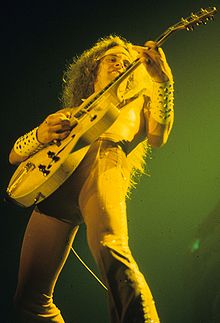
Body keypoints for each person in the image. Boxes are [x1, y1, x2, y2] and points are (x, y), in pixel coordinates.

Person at [9, 34, 174, 323]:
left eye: (126, 60)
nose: (120, 63)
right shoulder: (71, 113)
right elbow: (14, 154)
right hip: (55, 187)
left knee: (111, 248)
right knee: (29, 302)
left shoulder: (137, 102)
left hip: (104, 164)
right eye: (112, 58)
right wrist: (40, 134)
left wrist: (163, 82)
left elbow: (159, 136)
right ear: (92, 68)